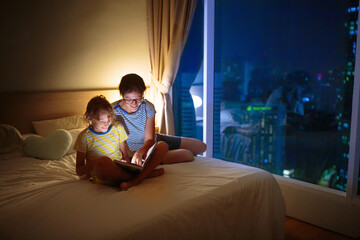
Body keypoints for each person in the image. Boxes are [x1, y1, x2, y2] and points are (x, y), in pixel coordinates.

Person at [74, 95, 167, 191]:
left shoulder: (117, 127)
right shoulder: (84, 137)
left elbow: (125, 155)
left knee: (162, 146)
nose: (107, 124)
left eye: (109, 119)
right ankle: (144, 175)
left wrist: (126, 163)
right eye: (102, 121)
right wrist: (96, 163)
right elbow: (79, 170)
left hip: (120, 169)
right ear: (90, 118)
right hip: (102, 173)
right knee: (104, 161)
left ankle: (136, 177)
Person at [113, 73, 207, 165]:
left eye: (138, 99)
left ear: (142, 94)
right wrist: (133, 154)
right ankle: (156, 159)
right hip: (134, 152)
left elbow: (149, 139)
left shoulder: (147, 107)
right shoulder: (112, 111)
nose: (134, 104)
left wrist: (140, 151)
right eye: (129, 99)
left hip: (152, 142)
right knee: (188, 155)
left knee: (200, 147)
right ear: (122, 95)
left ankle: (160, 155)